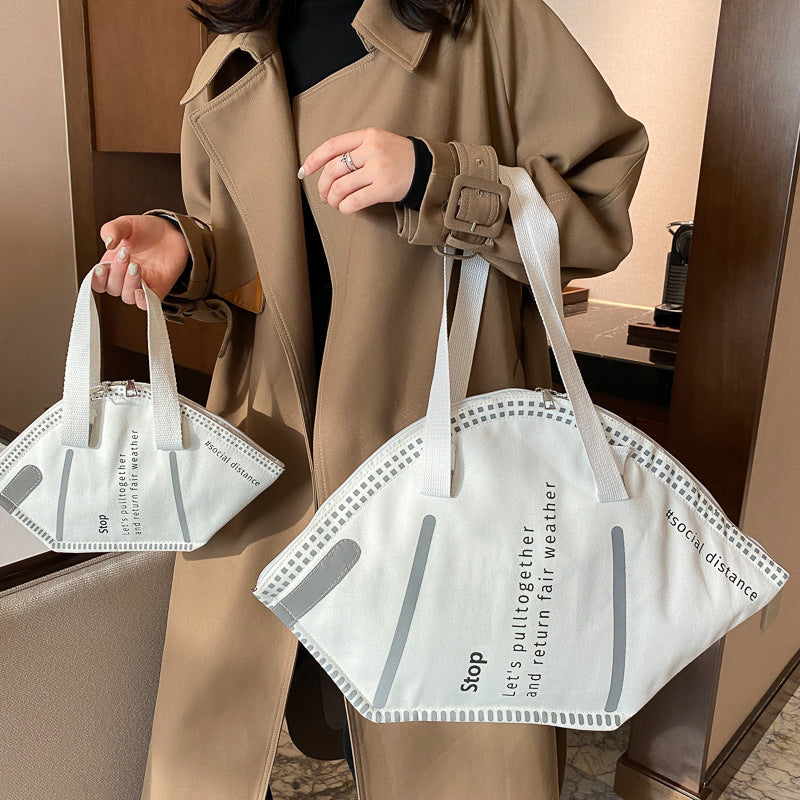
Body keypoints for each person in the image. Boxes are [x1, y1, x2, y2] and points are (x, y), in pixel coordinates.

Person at [95, 1, 648, 798]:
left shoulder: (486, 21)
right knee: (221, 746)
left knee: (447, 756)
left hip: (442, 461)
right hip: (275, 467)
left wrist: (436, 177)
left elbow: (599, 209)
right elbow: (260, 266)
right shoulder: (233, 55)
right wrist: (188, 253)